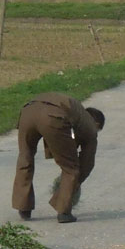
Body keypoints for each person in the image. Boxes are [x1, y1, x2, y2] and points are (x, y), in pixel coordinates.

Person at [12, 93, 104, 223]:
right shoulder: (89, 124)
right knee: (71, 169)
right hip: (51, 116)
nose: (96, 132)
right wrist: (72, 185)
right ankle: (63, 211)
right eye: (98, 130)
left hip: (28, 111)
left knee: (25, 158)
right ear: (96, 123)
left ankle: (23, 206)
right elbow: (87, 162)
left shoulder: (76, 112)